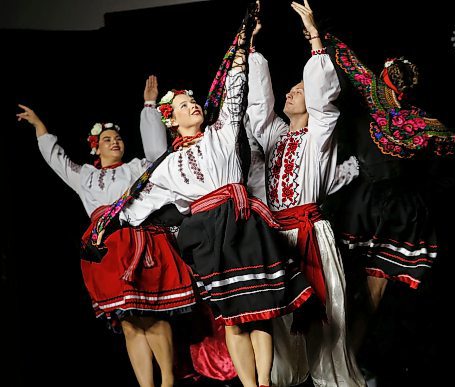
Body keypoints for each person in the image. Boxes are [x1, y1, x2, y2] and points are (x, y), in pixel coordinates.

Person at [116, 18, 315, 387]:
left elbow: (235, 88)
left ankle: (265, 385)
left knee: (259, 311)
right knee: (232, 318)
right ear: (172, 121)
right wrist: (108, 228)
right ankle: (249, 384)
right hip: (207, 236)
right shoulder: (166, 167)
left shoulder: (222, 133)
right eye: (183, 105)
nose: (192, 106)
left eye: (193, 101)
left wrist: (242, 46)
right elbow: (136, 206)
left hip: (242, 224)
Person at [16, 79, 199, 387]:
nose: (115, 142)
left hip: (137, 240)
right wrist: (38, 125)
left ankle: (168, 380)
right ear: (95, 148)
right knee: (128, 321)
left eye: (118, 138)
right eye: (108, 140)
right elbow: (56, 159)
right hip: (105, 249)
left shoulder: (137, 167)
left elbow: (159, 157)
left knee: (150, 311)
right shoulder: (85, 176)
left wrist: (149, 106)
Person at [321, 33, 455, 359]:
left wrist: (321, 35)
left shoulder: (412, 116)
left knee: (366, 291)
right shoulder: (416, 119)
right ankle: (338, 362)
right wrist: (321, 36)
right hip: (371, 204)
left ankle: (346, 364)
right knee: (350, 288)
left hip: (386, 208)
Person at [245, 1, 365, 386]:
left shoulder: (319, 134)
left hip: (310, 231)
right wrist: (251, 50)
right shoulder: (278, 135)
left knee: (327, 311)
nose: (291, 93)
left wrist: (314, 37)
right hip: (277, 236)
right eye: (292, 88)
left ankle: (331, 378)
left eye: (299, 89)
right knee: (280, 313)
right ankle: (286, 376)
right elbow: (259, 107)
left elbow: (322, 97)